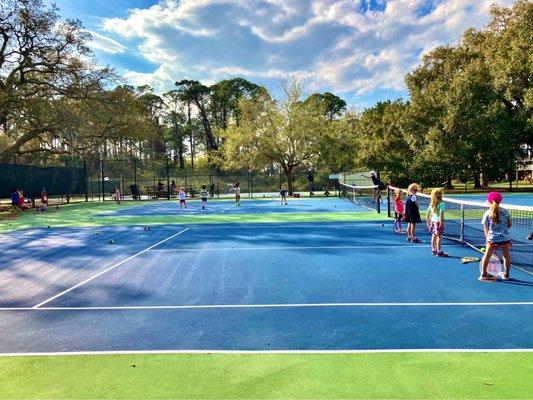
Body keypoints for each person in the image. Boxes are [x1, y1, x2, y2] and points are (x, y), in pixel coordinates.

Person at [479, 191, 512, 282]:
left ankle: (483, 274)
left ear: (489, 201)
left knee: (487, 255)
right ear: (500, 201)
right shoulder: (506, 211)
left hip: (492, 239)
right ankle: (506, 274)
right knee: (506, 256)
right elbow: (509, 224)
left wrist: (487, 239)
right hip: (505, 238)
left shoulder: (487, 213)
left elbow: (485, 228)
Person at [426, 189, 448, 257]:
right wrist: (441, 222)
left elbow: (427, 213)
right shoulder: (442, 204)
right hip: (438, 222)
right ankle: (439, 251)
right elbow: (441, 214)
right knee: (439, 237)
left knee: (434, 235)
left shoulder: (432, 204)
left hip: (433, 222)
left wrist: (428, 222)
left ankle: (433, 250)